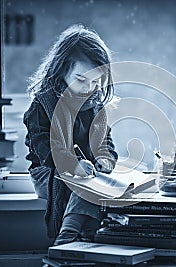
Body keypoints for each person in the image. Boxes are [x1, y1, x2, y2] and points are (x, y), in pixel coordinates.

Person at [23, 24, 118, 245]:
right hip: (48, 172)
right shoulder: (42, 105)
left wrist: (104, 159)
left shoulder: (94, 105)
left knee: (99, 185)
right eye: (80, 79)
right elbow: (45, 149)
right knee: (84, 186)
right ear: (61, 69)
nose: (88, 87)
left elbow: (106, 142)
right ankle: (67, 236)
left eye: (95, 81)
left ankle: (85, 238)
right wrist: (73, 166)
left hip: (88, 173)